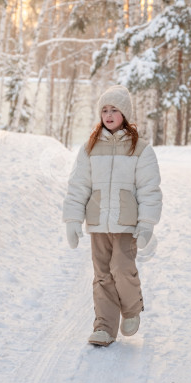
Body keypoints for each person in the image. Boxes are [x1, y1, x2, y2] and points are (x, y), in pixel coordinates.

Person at [62, 84, 162, 346]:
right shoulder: (90, 148)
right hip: (97, 224)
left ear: (125, 114)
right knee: (102, 274)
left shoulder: (140, 149)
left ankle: (130, 310)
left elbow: (149, 189)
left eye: (114, 109)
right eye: (104, 109)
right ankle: (104, 327)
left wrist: (147, 223)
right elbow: (78, 186)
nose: (108, 114)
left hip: (126, 224)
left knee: (121, 267)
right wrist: (73, 219)